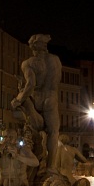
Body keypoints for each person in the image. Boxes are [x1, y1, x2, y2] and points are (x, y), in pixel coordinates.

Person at [10, 33, 62, 167]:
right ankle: (51, 168)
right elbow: (57, 81)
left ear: (33, 47)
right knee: (53, 133)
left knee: (33, 130)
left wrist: (18, 99)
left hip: (38, 97)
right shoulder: (56, 60)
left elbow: (30, 84)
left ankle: (33, 163)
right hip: (51, 98)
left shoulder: (28, 63)